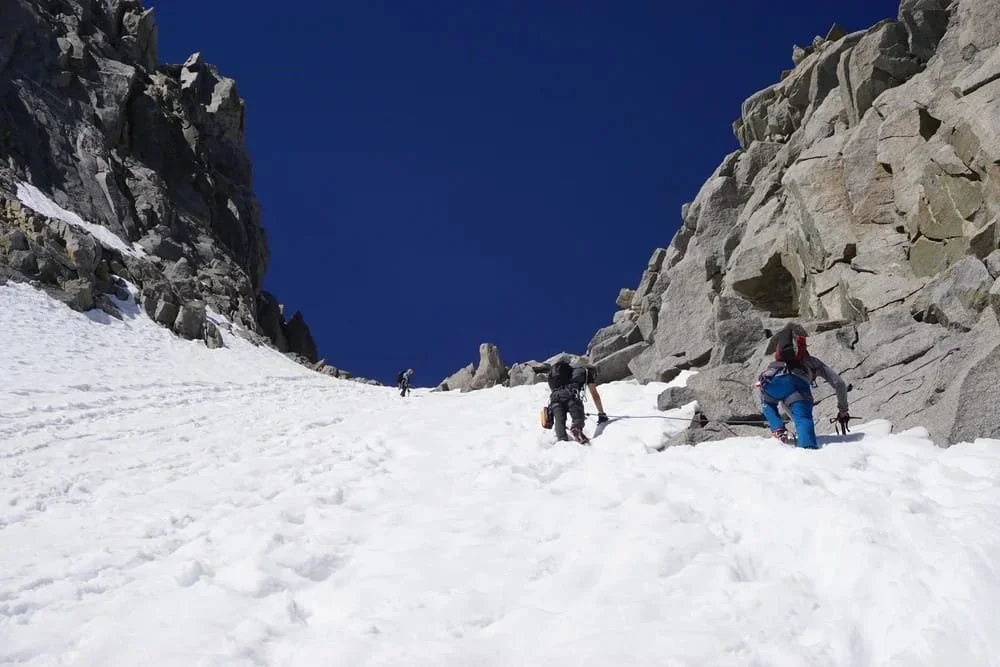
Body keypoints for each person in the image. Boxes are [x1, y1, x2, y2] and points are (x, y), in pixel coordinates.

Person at [757, 324, 850, 449]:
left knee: (767, 402)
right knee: (803, 419)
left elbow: (785, 402)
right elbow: (839, 383)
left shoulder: (777, 363)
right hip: (798, 386)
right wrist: (843, 409)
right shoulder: (813, 361)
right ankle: (807, 449)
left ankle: (777, 428)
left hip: (773, 382)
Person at [546, 359, 588, 443]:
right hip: (568, 395)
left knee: (559, 420)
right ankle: (576, 428)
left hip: (554, 398)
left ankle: (562, 440)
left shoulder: (553, 375)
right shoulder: (573, 370)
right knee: (577, 414)